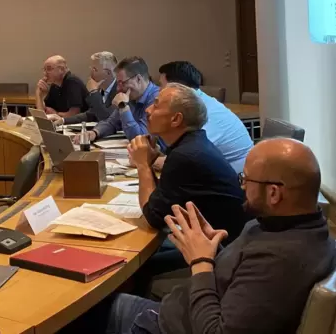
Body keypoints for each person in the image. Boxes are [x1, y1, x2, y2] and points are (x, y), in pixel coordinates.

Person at [101, 138, 336, 334]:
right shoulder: (295, 229)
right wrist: (212, 250)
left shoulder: (281, 259)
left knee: (79, 316)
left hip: (159, 326)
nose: (241, 187)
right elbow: (244, 278)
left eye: (245, 179)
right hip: (174, 313)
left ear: (274, 193)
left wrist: (201, 263)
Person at [129, 83, 246, 240]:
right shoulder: (193, 143)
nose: (148, 110)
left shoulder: (185, 156)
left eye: (156, 106)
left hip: (220, 252)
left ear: (176, 119)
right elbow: (159, 204)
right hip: (214, 240)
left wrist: (142, 165)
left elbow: (153, 218)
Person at [158, 61, 253, 173]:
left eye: (161, 86)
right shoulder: (195, 103)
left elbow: (185, 159)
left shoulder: (205, 111)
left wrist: (147, 159)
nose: (159, 91)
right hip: (214, 169)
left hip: (239, 177)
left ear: (177, 88)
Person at [88, 56, 160, 142]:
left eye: (122, 83)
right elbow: (111, 123)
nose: (118, 88)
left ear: (138, 79)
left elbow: (140, 138)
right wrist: (94, 133)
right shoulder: (131, 97)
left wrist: (123, 107)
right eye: (118, 83)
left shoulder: (157, 98)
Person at [51, 51, 118, 125]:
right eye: (91, 69)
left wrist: (93, 92)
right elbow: (90, 114)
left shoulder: (120, 90)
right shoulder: (101, 90)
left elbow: (106, 119)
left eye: (95, 70)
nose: (91, 74)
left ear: (108, 73)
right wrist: (63, 120)